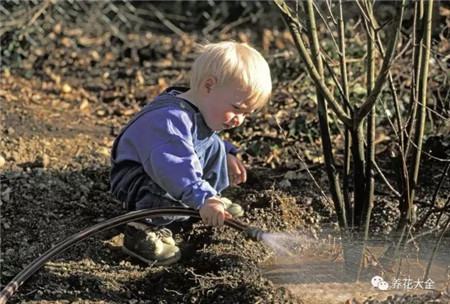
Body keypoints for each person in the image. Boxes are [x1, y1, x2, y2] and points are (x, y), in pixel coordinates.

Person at [110, 41, 272, 265]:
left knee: (215, 146)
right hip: (139, 183)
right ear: (208, 86)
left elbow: (202, 139)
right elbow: (175, 165)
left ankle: (205, 200)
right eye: (236, 108)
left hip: (170, 170)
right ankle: (144, 228)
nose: (239, 120)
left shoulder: (198, 109)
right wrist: (203, 198)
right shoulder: (168, 120)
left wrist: (227, 153)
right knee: (169, 174)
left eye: (247, 114)